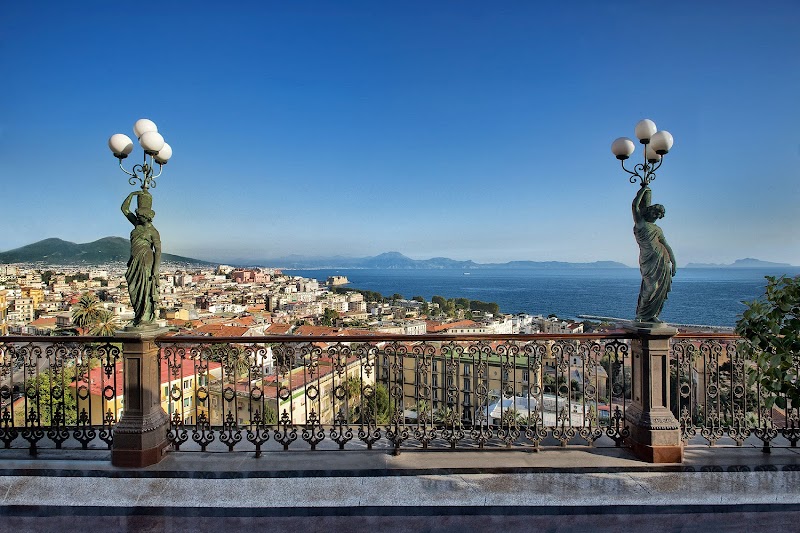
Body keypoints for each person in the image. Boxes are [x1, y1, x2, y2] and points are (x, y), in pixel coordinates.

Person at [632, 185, 676, 323]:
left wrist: (674, 262)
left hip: (663, 259)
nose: (657, 217)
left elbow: (666, 244)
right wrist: (643, 190)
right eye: (655, 213)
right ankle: (641, 315)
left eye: (659, 215)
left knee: (660, 290)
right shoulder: (640, 223)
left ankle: (652, 315)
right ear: (650, 211)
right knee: (651, 287)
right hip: (648, 260)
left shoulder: (657, 229)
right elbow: (635, 206)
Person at [121, 190, 161, 326]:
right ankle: (138, 315)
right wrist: (132, 194)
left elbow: (159, 250)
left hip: (146, 259)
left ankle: (145, 317)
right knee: (133, 289)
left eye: (140, 216)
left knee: (144, 288)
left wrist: (155, 269)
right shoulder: (137, 225)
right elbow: (124, 209)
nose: (137, 217)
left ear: (147, 217)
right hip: (134, 260)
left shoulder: (153, 232)